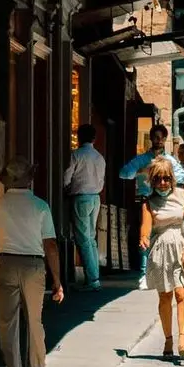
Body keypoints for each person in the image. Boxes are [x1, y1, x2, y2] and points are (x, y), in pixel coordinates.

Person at [0, 158, 63, 367]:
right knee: (34, 319)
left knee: (7, 322)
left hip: (3, 262)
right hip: (33, 265)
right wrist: (57, 280)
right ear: (29, 180)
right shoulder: (40, 206)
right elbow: (51, 245)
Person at [140, 157, 184, 361]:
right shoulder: (149, 203)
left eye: (166, 178)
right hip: (161, 254)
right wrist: (143, 238)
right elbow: (146, 227)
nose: (163, 183)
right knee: (165, 296)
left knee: (182, 294)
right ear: (152, 181)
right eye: (158, 179)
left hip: (183, 250)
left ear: (172, 178)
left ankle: (183, 339)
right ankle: (168, 339)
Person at [120, 125, 184, 288]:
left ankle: (169, 271)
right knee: (145, 237)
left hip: (166, 201)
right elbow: (123, 173)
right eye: (156, 138)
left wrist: (167, 174)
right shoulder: (142, 159)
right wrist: (141, 171)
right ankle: (145, 274)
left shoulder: (170, 160)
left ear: (165, 140)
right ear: (151, 139)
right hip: (147, 200)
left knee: (166, 237)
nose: (159, 141)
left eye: (162, 138)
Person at [63, 122, 105, 290]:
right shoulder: (99, 157)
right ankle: (94, 276)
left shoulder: (77, 155)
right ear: (94, 138)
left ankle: (93, 279)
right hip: (95, 197)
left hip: (80, 197)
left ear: (79, 137)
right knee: (91, 238)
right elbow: (101, 179)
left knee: (84, 239)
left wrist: (66, 186)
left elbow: (67, 175)